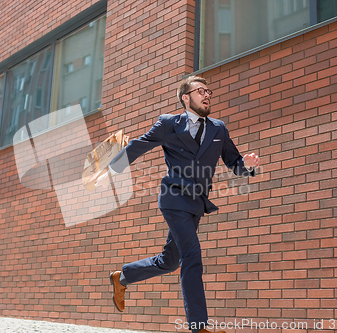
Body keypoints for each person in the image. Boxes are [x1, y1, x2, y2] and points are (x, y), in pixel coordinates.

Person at [96, 76, 259, 333]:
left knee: (169, 261)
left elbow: (234, 162)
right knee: (192, 258)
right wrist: (112, 171)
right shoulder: (169, 123)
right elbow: (139, 145)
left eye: (209, 91)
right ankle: (199, 327)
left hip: (197, 204)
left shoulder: (219, 128)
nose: (207, 95)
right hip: (173, 198)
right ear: (186, 97)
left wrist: (246, 166)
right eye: (201, 91)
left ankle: (123, 277)